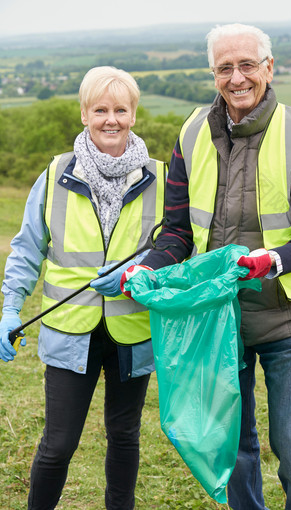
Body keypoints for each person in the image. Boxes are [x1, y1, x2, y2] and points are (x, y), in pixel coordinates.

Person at [129, 24, 291, 510]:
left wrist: (273, 261)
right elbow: (178, 232)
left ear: (269, 68)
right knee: (235, 451)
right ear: (213, 73)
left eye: (247, 65)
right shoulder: (190, 132)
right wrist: (149, 269)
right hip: (218, 320)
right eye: (225, 67)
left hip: (289, 318)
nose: (237, 77)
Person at [0, 66, 166, 510]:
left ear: (133, 114)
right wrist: (10, 307)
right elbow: (27, 248)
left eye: (120, 110)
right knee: (58, 444)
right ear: (84, 114)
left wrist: (139, 273)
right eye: (100, 110)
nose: (110, 119)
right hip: (70, 332)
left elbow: (175, 251)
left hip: (133, 333)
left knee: (125, 436)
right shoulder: (55, 174)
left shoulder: (162, 178)